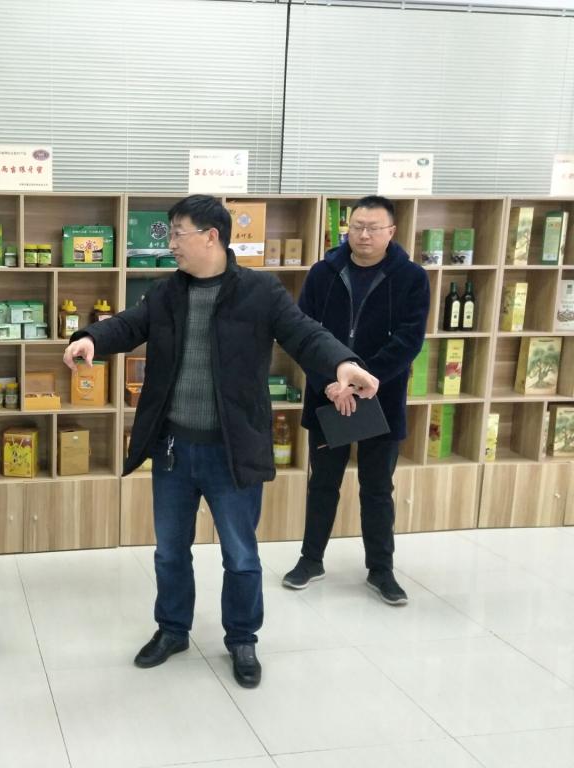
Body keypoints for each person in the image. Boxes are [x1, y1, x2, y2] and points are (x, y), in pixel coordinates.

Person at [62, 194, 379, 688]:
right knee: (170, 551)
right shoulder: (167, 292)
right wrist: (91, 338)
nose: (171, 244)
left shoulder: (260, 291)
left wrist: (343, 363)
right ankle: (172, 630)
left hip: (232, 449)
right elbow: (128, 325)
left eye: (178, 234)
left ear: (211, 236)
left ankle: (242, 638)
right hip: (173, 449)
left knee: (241, 554)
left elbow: (305, 334)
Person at [282, 195, 429, 606]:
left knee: (377, 487)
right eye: (357, 226)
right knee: (322, 483)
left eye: (373, 228)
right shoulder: (323, 273)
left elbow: (409, 341)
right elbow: (302, 333)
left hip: (381, 395)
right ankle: (310, 560)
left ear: (391, 232)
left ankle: (381, 569)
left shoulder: (411, 277)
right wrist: (332, 381)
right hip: (329, 395)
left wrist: (363, 380)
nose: (363, 235)